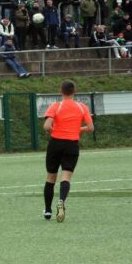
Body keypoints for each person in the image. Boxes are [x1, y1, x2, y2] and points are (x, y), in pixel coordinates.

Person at [43, 80, 94, 222]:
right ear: (74, 91)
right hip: (72, 144)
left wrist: (57, 130)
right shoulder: (81, 107)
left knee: (50, 177)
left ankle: (47, 210)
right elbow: (90, 128)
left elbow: (47, 126)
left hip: (55, 144)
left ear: (61, 91)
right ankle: (61, 201)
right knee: (66, 176)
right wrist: (78, 130)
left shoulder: (56, 106)